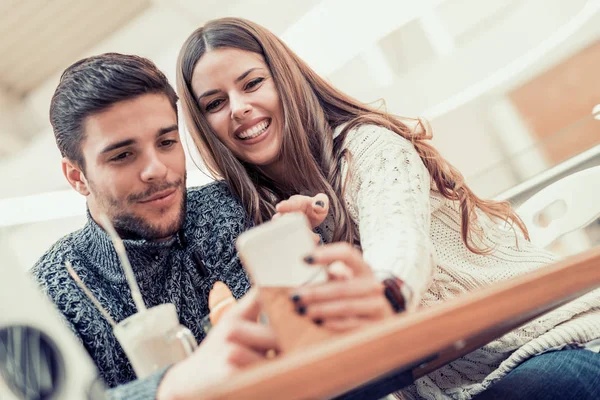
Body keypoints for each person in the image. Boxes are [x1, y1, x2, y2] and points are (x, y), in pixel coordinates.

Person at [176, 17, 600, 399]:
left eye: (252, 83)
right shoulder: (268, 218)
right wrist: (300, 263)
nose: (238, 108)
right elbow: (319, 347)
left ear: (284, 79)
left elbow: (400, 241)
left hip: (553, 341)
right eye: (215, 103)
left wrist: (386, 291)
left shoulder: (368, 147)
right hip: (468, 389)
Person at [32, 53, 397, 400]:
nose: (157, 168)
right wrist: (171, 388)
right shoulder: (50, 294)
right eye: (123, 155)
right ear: (77, 176)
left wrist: (313, 282)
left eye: (166, 142)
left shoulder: (230, 206)